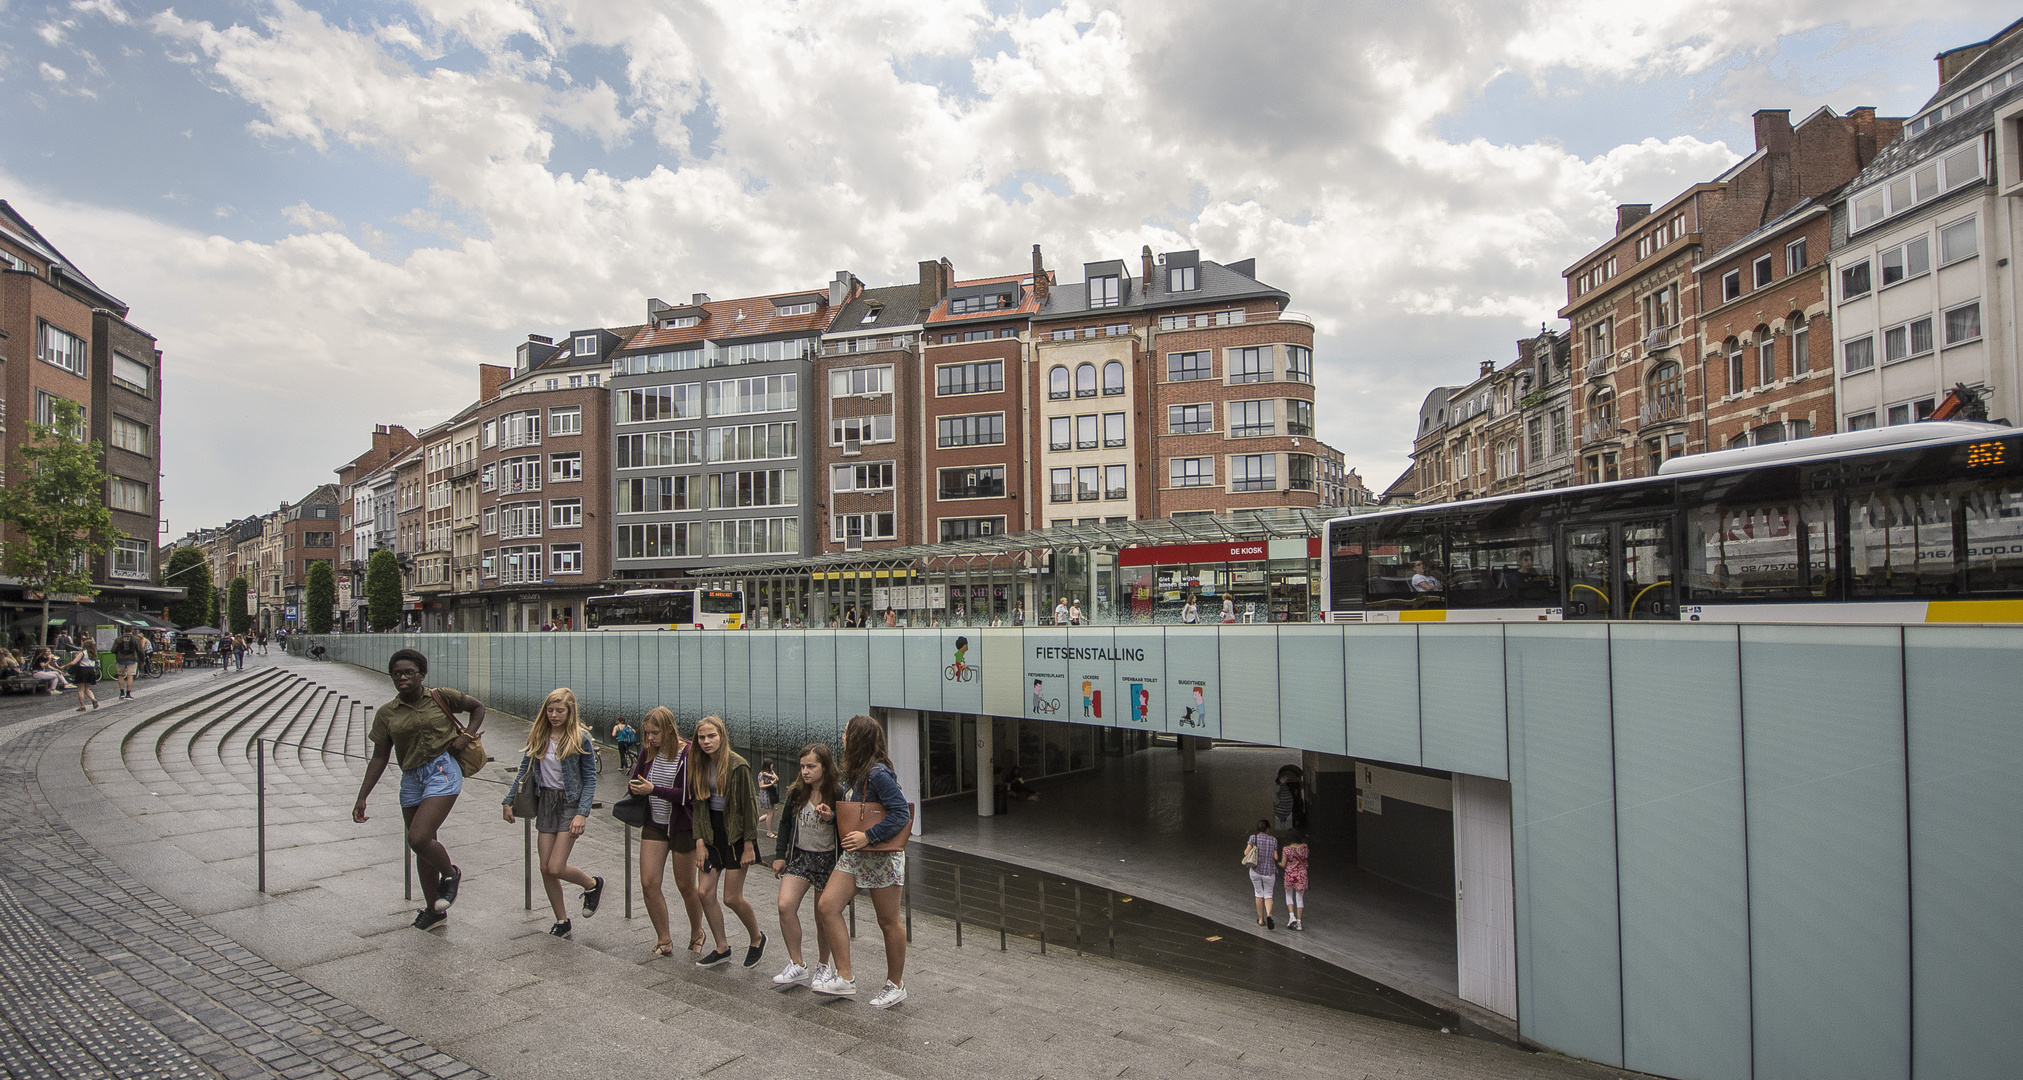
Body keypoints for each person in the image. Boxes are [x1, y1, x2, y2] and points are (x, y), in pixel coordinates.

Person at [352, 649, 486, 928]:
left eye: (409, 672)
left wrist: (467, 736)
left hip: (442, 770)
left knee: (418, 837)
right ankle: (434, 911)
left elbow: (478, 708)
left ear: (422, 674)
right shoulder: (387, 713)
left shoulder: (441, 696)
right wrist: (362, 796)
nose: (402, 677)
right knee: (422, 847)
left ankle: (450, 875)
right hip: (411, 777)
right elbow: (379, 756)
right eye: (397, 673)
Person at [811, 715, 912, 1007]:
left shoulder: (878, 773)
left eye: (846, 734)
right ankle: (845, 977)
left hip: (880, 857)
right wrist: (834, 816)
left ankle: (895, 984)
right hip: (857, 858)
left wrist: (868, 836)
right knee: (827, 906)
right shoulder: (858, 772)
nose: (842, 738)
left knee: (888, 921)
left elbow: (901, 814)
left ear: (858, 739)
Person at [502, 688, 605, 939]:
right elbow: (524, 770)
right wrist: (508, 800)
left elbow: (590, 779)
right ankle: (562, 919)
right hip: (545, 801)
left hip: (570, 803)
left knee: (556, 866)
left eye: (560, 710)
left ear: (570, 711)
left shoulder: (580, 738)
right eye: (550, 710)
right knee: (545, 868)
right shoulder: (540, 735)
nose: (554, 715)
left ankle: (592, 884)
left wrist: (583, 813)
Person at [626, 707, 707, 957]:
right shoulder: (648, 752)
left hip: (682, 825)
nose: (650, 738)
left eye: (655, 733)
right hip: (655, 823)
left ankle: (697, 932)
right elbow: (637, 781)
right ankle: (664, 938)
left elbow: (689, 795)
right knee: (649, 883)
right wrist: (635, 788)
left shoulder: (689, 753)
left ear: (669, 730)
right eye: (647, 733)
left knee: (685, 885)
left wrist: (654, 790)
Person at [688, 715, 767, 969]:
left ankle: (757, 937)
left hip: (735, 834)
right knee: (704, 892)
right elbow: (698, 806)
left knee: (732, 897)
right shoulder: (698, 763)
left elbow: (749, 806)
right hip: (710, 833)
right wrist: (699, 842)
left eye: (711, 736)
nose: (706, 741)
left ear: (722, 736)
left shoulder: (737, 765)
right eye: (702, 737)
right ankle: (721, 947)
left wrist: (748, 844)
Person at [768, 742, 841, 987]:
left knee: (823, 914)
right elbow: (785, 824)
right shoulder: (797, 792)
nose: (805, 772)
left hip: (828, 859)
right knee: (785, 905)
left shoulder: (838, 793)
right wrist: (780, 855)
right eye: (802, 767)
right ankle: (797, 963)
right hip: (800, 856)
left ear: (825, 766)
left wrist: (832, 817)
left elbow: (848, 824)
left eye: (811, 766)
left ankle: (823, 965)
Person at [1245, 820, 1280, 930]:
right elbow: (1276, 857)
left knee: (1258, 893)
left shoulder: (1253, 838)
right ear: (1268, 829)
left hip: (1255, 870)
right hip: (1269, 872)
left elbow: (1246, 853)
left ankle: (1261, 919)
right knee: (1268, 894)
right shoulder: (1273, 840)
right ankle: (1269, 915)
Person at [1279, 830, 1309, 931]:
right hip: (1302, 875)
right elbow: (1305, 860)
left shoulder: (1286, 849)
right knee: (1300, 898)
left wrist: (1276, 862)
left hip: (1289, 875)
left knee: (1289, 895)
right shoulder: (1304, 847)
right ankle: (1299, 922)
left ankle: (1292, 917)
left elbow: (1283, 864)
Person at [67, 642, 102, 711]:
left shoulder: (82, 653)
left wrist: (64, 666)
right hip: (91, 671)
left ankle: (82, 706)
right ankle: (93, 699)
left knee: (80, 689)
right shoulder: (93, 653)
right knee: (87, 689)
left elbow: (73, 662)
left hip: (83, 670)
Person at [113, 630, 143, 700]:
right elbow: (140, 650)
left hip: (120, 659)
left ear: (123, 630)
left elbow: (113, 650)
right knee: (130, 676)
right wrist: (142, 659)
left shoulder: (118, 639)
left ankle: (122, 693)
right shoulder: (136, 639)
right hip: (132, 659)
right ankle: (128, 693)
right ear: (132, 630)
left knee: (120, 675)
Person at [756, 758, 780, 838]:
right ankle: (769, 832)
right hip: (765, 795)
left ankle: (756, 822)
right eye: (771, 764)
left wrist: (770, 775)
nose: (772, 766)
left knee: (771, 813)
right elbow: (761, 786)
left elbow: (777, 778)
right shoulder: (761, 775)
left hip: (771, 794)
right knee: (770, 813)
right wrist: (770, 783)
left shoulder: (770, 772)